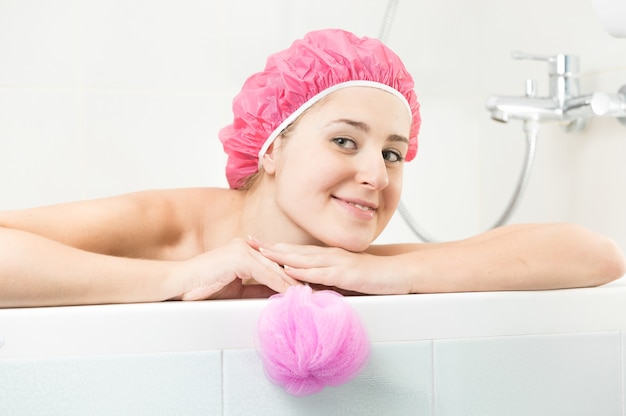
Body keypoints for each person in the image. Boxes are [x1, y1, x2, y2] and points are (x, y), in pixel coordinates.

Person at [0, 29, 624, 308]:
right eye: (346, 142)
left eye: (391, 153)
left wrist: (396, 277)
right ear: (270, 148)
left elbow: (594, 254)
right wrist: (177, 277)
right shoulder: (168, 226)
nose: (378, 177)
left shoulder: (343, 263)